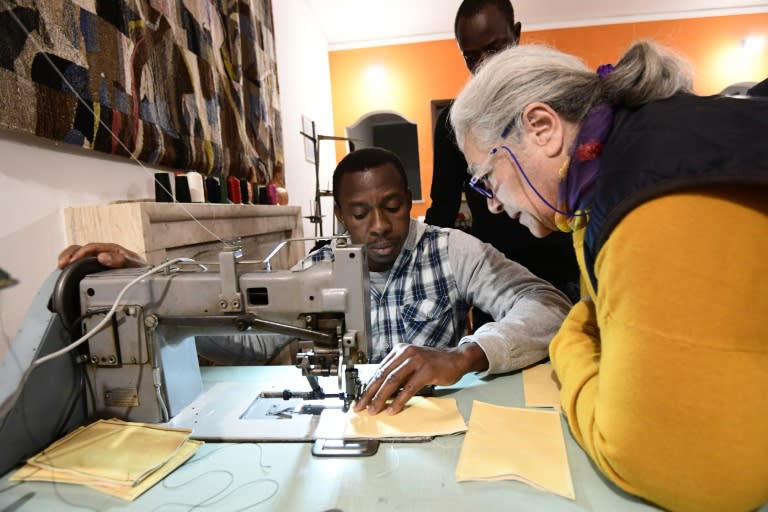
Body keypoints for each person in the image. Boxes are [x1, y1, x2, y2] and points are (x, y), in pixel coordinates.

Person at [450, 41, 768, 512]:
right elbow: (595, 315)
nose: (492, 203)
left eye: (486, 177)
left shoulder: (649, 203)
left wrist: (568, 346)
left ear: (541, 127)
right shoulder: (609, 181)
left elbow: (667, 468)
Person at [58, 147, 571, 416]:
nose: (379, 225)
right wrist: (149, 286)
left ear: (409, 200)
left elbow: (546, 304)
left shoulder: (451, 250)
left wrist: (464, 355)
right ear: (340, 217)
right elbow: (257, 337)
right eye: (361, 213)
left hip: (433, 425)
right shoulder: (318, 268)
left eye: (392, 207)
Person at [425, 0, 579, 306]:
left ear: (516, 34)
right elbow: (443, 205)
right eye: (471, 56)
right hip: (499, 275)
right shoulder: (456, 123)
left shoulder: (553, 98)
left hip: (567, 263)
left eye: (495, 49)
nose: (485, 65)